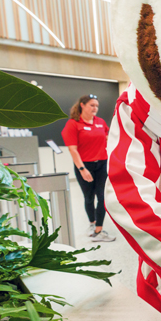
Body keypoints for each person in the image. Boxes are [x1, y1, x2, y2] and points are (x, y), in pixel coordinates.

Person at [61, 95, 116, 242]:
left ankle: (99, 229)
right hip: (84, 166)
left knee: (103, 197)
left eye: (96, 106)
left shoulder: (100, 122)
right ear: (82, 105)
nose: (95, 108)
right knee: (89, 197)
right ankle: (92, 223)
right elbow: (73, 149)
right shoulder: (73, 124)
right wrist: (82, 169)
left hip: (102, 164)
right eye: (92, 105)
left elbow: (109, 138)